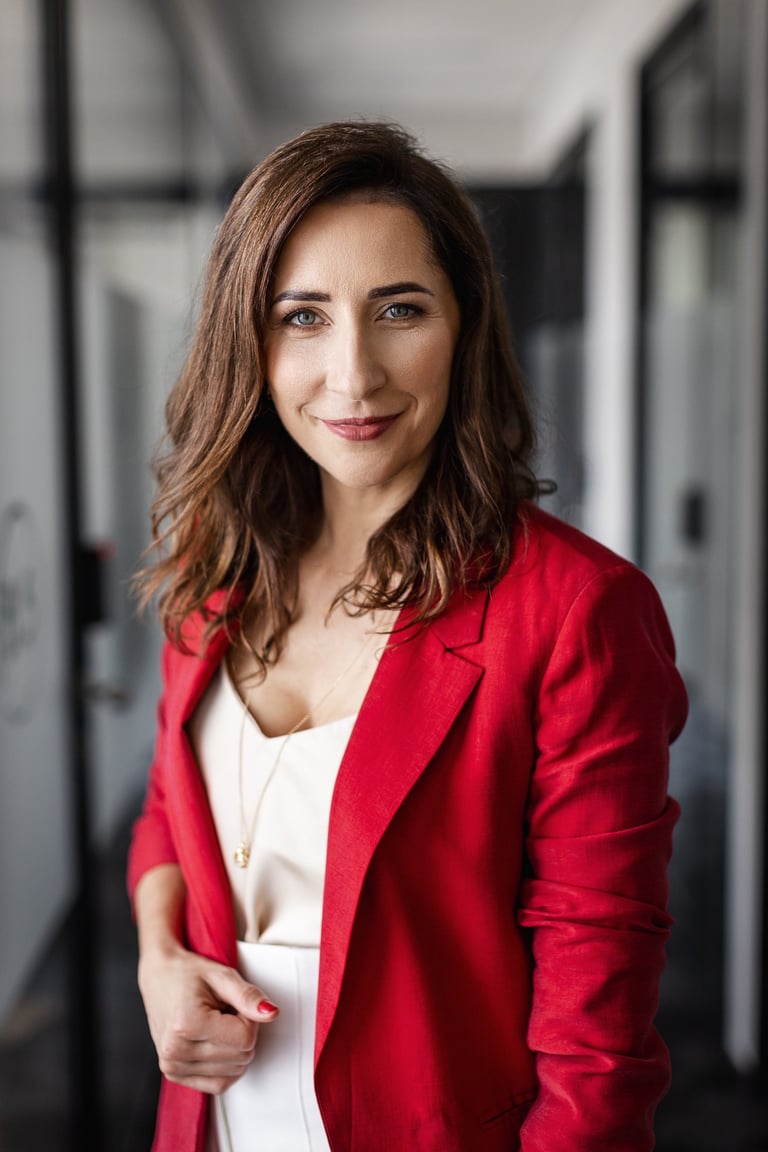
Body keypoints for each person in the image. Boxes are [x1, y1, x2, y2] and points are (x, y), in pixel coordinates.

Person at [127, 119, 688, 1152]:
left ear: (464, 328)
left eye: (400, 310)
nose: (353, 374)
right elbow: (169, 810)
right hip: (211, 1127)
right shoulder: (217, 572)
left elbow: (597, 1036)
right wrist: (160, 961)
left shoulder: (577, 610)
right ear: (249, 344)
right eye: (303, 316)